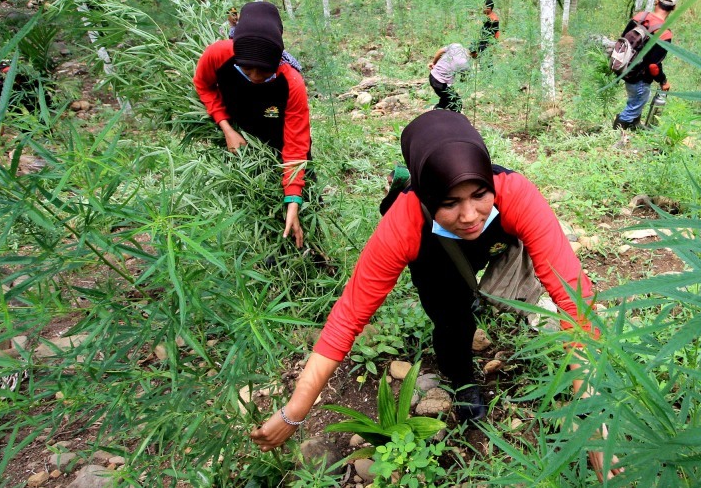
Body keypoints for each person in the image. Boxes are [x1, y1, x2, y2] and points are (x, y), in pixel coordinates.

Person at [250, 110, 617, 478]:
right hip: (434, 252)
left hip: (496, 241)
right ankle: (463, 383)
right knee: (452, 318)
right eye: (450, 202)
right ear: (426, 197)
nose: (470, 214)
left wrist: (598, 429)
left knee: (497, 281)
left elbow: (574, 303)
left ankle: (478, 291)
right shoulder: (404, 222)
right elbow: (349, 316)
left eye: (478, 194)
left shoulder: (514, 192)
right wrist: (294, 411)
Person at [193, 1, 311, 247]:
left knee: (305, 213)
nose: (256, 78)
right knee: (258, 214)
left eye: (264, 73)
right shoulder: (218, 55)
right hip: (245, 149)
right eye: (247, 70)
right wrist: (226, 128)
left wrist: (293, 199)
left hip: (285, 150)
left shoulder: (291, 82)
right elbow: (203, 85)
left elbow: (296, 144)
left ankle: (310, 258)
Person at [613, 0, 679, 130]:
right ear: (673, 7)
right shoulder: (665, 34)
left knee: (636, 101)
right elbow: (653, 66)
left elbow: (623, 40)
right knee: (634, 105)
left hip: (624, 69)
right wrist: (663, 81)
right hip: (640, 78)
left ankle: (634, 125)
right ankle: (617, 133)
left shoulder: (640, 17)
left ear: (657, 1)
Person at [428, 42, 473, 112]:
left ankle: (437, 110)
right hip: (440, 83)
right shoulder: (466, 64)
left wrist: (434, 63)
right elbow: (463, 80)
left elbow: (440, 51)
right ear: (476, 53)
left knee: (446, 99)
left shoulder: (457, 46)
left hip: (433, 75)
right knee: (457, 103)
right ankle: (454, 120)